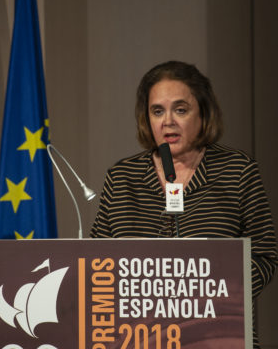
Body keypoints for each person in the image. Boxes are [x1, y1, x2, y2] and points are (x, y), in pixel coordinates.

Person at [90, 60, 278, 348]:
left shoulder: (237, 170)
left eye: (180, 109)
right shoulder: (122, 177)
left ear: (203, 113)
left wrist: (209, 295)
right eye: (157, 111)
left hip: (218, 334)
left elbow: (265, 256)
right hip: (141, 337)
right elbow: (97, 264)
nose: (168, 121)